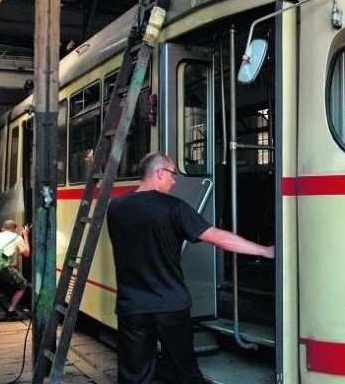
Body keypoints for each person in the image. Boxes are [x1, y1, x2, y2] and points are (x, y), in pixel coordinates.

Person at [106, 152, 274, 384]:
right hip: (170, 305)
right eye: (173, 174)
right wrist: (264, 251)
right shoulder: (174, 207)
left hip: (132, 306)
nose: (174, 181)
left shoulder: (116, 207)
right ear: (160, 173)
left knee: (133, 375)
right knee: (186, 372)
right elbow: (218, 238)